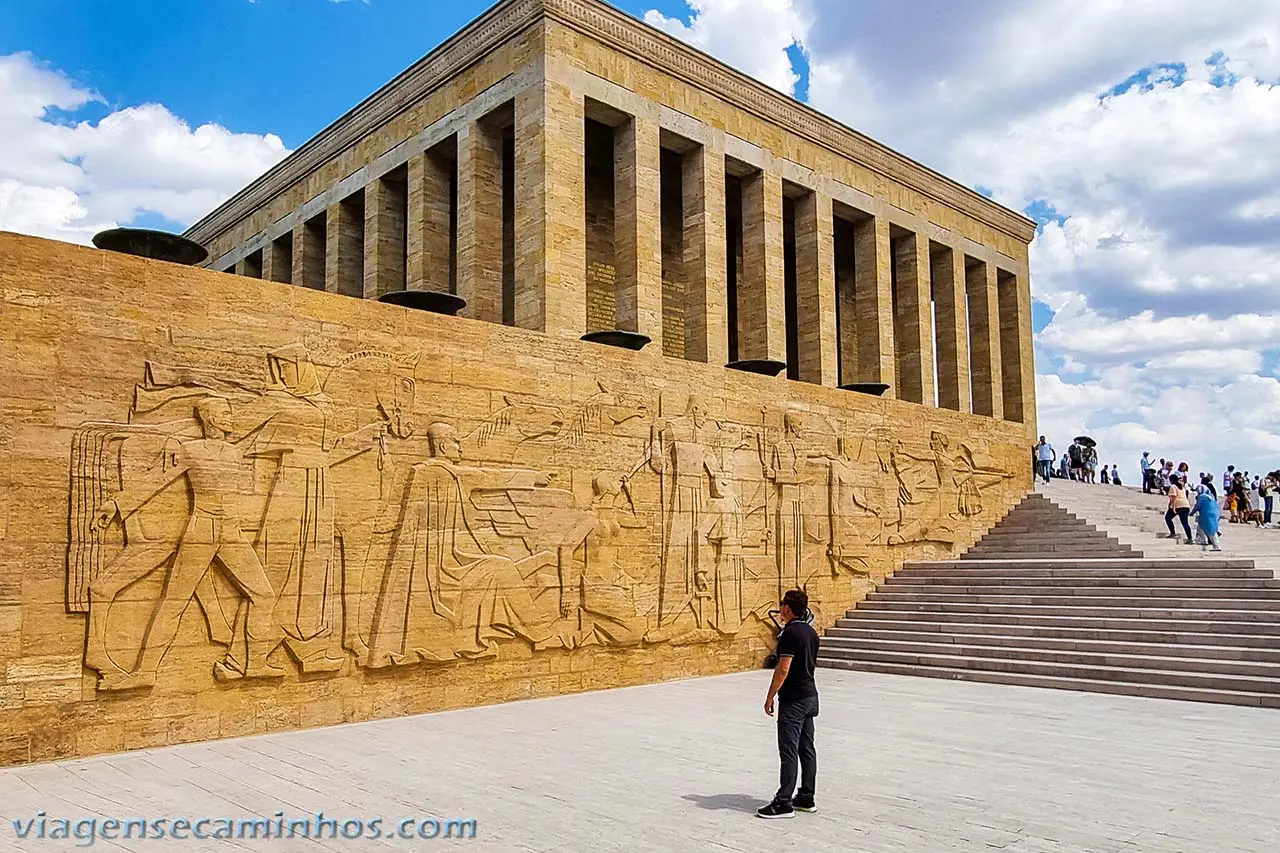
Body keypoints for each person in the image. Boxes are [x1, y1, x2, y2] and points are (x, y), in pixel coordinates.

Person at [758, 588, 820, 820]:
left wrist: (770, 695)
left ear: (786, 608)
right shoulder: (812, 633)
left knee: (789, 750)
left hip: (793, 699)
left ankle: (784, 802)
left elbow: (783, 668)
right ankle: (806, 796)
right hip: (810, 695)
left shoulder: (789, 635)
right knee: (807, 748)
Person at [1165, 474, 1194, 544]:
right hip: (1185, 505)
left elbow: (1174, 498)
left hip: (1178, 505)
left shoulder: (1173, 487)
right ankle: (1190, 538)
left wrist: (1173, 507)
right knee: (1185, 523)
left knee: (1167, 518)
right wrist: (1170, 505)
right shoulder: (1182, 487)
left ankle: (1172, 533)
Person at [1191, 487, 1223, 551]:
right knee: (1201, 526)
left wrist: (1191, 513)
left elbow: (1197, 506)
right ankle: (1201, 539)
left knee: (1211, 531)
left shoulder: (1202, 497)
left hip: (1207, 515)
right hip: (1214, 514)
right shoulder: (1211, 497)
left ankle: (1216, 546)